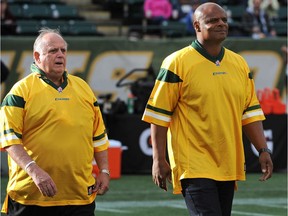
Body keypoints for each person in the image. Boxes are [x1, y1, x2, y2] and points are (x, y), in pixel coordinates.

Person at [142, 2, 273, 216]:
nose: (221, 23)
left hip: (228, 162)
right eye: (213, 20)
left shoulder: (239, 63)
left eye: (224, 19)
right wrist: (159, 159)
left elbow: (249, 113)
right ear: (197, 26)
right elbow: (158, 116)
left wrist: (263, 149)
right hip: (193, 164)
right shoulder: (176, 62)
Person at [0, 27, 110, 216]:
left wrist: (105, 170)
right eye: (52, 51)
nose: (60, 55)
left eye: (63, 50)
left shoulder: (83, 88)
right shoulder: (20, 92)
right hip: (31, 197)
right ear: (37, 56)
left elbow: (98, 135)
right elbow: (10, 140)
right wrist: (34, 171)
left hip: (79, 197)